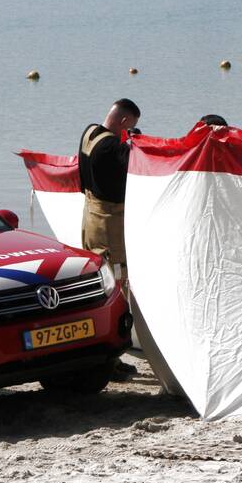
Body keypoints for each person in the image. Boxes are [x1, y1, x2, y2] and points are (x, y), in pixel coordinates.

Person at [78, 99, 141, 380]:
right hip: (109, 225)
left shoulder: (89, 133)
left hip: (90, 218)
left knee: (97, 285)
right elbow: (136, 167)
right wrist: (135, 145)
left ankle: (100, 355)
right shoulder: (113, 147)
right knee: (117, 287)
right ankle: (112, 359)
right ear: (125, 122)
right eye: (131, 127)